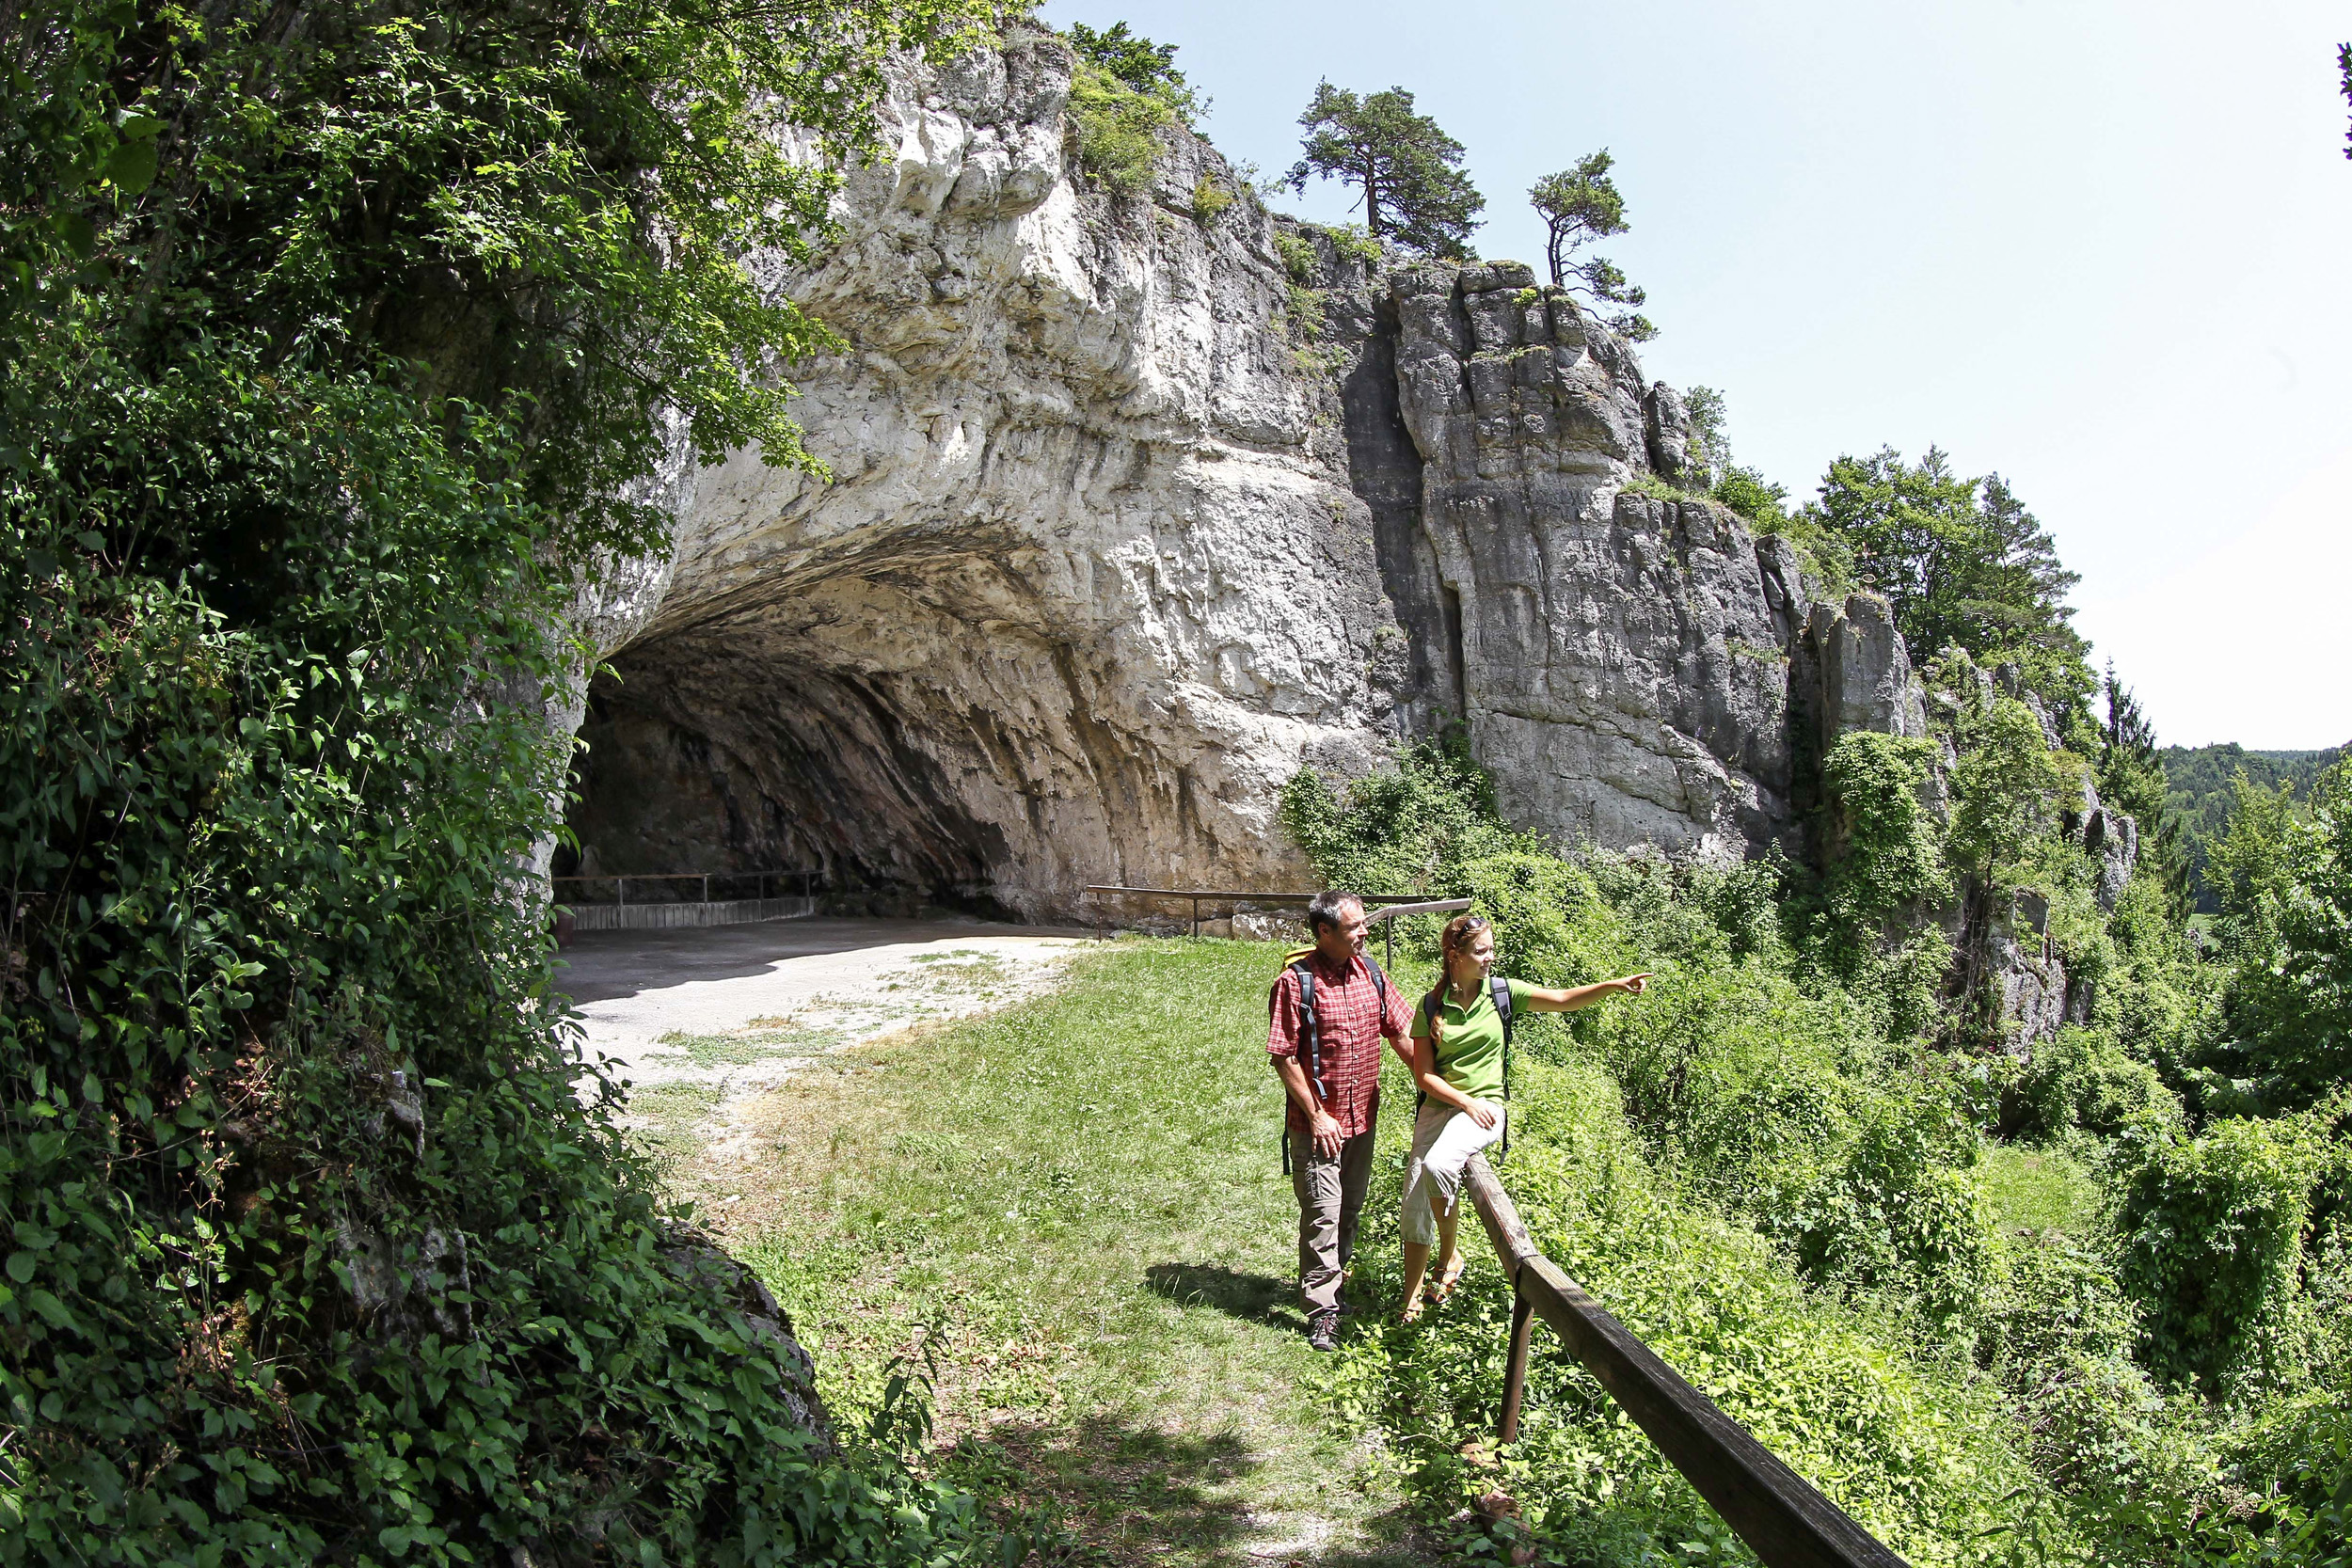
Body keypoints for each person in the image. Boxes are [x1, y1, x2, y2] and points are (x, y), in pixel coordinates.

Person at [1397, 912, 1649, 1323]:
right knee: (1414, 1203)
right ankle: (1409, 1298)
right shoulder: (1431, 1005)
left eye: (1491, 949)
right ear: (1455, 956)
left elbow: (1563, 1000)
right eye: (1481, 951)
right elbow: (1424, 1075)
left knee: (1439, 1165)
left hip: (1485, 1109)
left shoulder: (1502, 992)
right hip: (1442, 1107)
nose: (1490, 957)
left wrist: (1612, 986)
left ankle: (1449, 1256)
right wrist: (1462, 1100)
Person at [1267, 890, 1414, 1352]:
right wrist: (1317, 1116)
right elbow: (1283, 1056)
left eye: (1364, 923)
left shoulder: (1372, 974)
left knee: (1349, 1209)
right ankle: (1322, 1311)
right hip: (1319, 1127)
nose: (1364, 932)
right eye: (1355, 927)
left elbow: (1403, 1032)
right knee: (1322, 1216)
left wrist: (1433, 1085)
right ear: (1324, 931)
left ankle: (1336, 1284)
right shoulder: (1296, 984)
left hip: (1363, 1118)